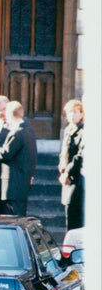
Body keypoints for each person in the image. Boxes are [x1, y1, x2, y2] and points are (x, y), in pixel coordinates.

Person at [0, 101, 37, 216]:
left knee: (14, 216)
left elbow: (5, 153)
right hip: (20, 181)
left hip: (14, 182)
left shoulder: (18, 132)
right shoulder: (28, 128)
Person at [58, 99, 84, 230]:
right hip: (67, 176)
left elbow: (80, 155)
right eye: (69, 113)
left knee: (75, 214)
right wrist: (62, 171)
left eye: (75, 112)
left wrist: (68, 172)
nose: (72, 115)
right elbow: (64, 153)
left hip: (77, 176)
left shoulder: (83, 131)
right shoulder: (68, 129)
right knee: (68, 212)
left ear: (81, 114)